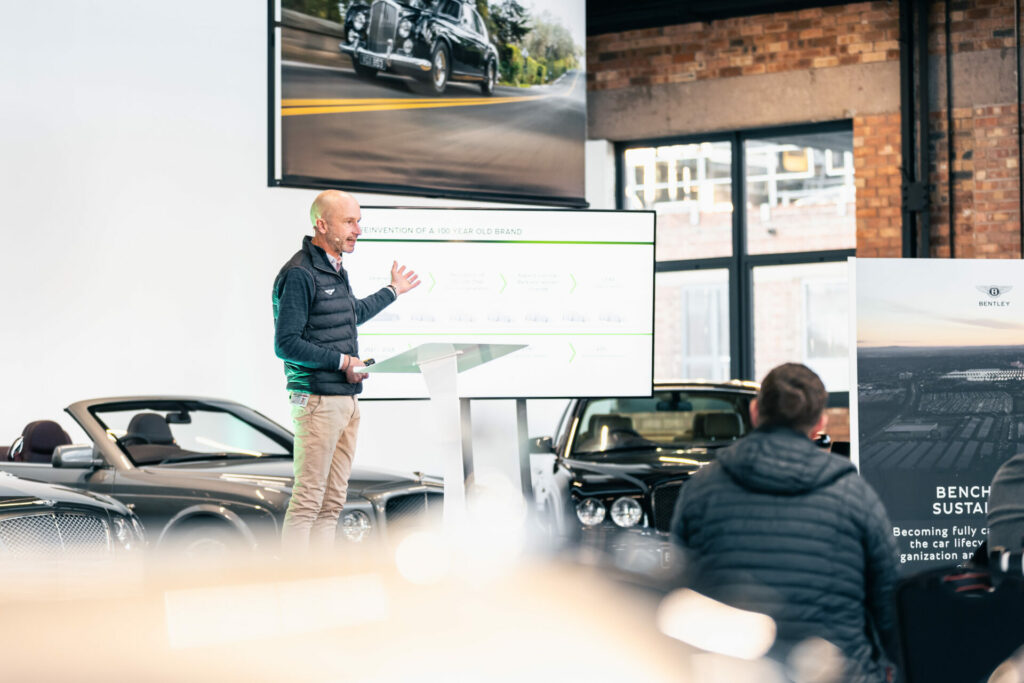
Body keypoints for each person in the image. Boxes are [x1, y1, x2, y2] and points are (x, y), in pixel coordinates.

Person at [670, 363, 900, 682]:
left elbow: (680, 593)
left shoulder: (701, 489)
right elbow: (889, 604)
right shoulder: (854, 494)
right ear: (820, 423)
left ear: (754, 412)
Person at [272, 189, 419, 554]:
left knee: (333, 501)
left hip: (345, 399)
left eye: (359, 221)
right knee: (308, 501)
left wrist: (392, 290)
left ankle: (319, 578)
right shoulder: (300, 273)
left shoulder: (334, 268)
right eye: (349, 222)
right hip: (318, 402)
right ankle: (293, 584)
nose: (358, 230)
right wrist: (342, 362)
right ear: (322, 224)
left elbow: (350, 314)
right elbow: (286, 343)